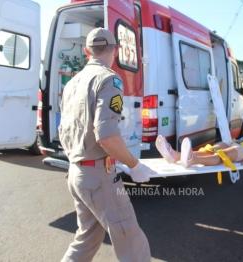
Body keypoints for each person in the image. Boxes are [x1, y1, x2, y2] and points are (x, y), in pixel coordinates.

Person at [59, 28, 155, 261]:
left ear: (86, 51)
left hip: (77, 171)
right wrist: (134, 164)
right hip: (98, 175)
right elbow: (107, 136)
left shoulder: (72, 83)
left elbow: (64, 129)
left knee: (87, 238)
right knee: (130, 238)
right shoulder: (109, 79)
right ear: (116, 50)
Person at [155, 134, 243, 168]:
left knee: (222, 156)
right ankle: (176, 156)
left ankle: (192, 160)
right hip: (239, 142)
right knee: (211, 150)